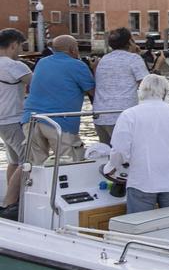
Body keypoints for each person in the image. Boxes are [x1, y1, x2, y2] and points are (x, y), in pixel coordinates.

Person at [106, 74, 169, 214]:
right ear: (165, 92)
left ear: (141, 91)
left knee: (140, 230)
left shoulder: (129, 114)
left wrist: (112, 167)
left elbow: (120, 150)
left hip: (142, 181)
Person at [21, 35, 95, 165]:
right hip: (59, 121)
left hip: (31, 119)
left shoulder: (42, 63)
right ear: (73, 49)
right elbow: (92, 91)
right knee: (69, 164)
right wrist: (94, 69)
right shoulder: (77, 65)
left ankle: (38, 186)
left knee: (35, 166)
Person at [93, 28, 149, 144]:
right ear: (130, 42)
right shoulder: (134, 59)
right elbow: (147, 86)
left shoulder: (104, 59)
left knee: (108, 154)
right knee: (127, 156)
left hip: (100, 115)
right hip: (122, 116)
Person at [0, 29, 32, 213]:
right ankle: (9, 203)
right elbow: (38, 83)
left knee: (13, 160)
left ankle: (12, 197)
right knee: (27, 160)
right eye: (21, 46)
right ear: (14, 44)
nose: (20, 50)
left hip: (2, 121)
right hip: (13, 118)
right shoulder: (15, 66)